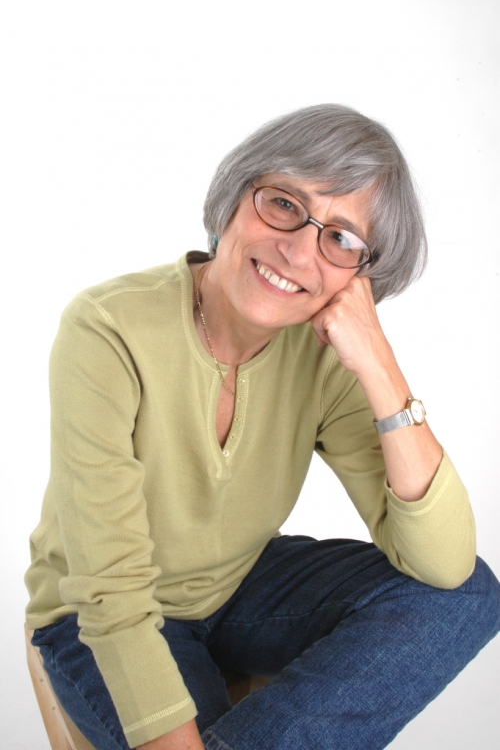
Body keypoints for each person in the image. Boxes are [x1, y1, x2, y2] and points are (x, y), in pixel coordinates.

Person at [25, 104, 500, 750]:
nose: (300, 250)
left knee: (469, 595)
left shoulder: (324, 357)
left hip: (239, 585)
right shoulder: (107, 330)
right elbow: (111, 591)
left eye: (341, 239)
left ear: (360, 276)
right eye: (284, 204)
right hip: (100, 613)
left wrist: (379, 363)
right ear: (233, 200)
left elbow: (443, 566)